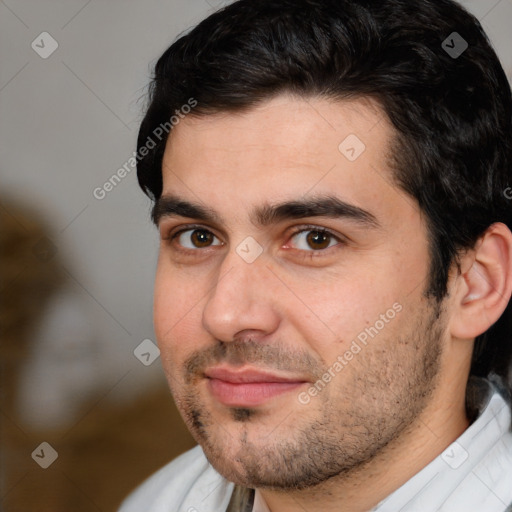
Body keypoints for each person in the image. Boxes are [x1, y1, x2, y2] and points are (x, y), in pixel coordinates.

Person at [119, 0, 512, 510]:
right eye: (198, 237)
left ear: (476, 283)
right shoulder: (158, 501)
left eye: (314, 239)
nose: (225, 314)